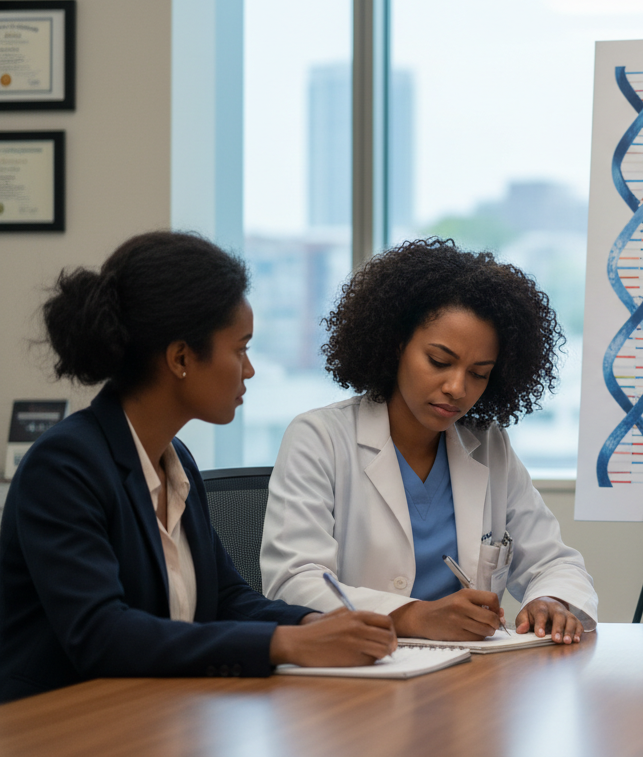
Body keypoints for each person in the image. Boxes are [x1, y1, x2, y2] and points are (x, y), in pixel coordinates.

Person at [0, 232, 398, 703]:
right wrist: (286, 643)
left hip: (156, 715)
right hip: (60, 725)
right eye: (240, 348)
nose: (248, 370)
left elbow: (227, 598)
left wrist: (317, 623)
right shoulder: (65, 466)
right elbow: (101, 635)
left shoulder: (175, 458)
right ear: (181, 358)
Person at [261, 238, 598, 644]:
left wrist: (551, 600)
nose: (457, 387)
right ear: (397, 344)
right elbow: (293, 582)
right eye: (439, 361)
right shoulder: (319, 438)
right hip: (360, 677)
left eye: (479, 373)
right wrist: (412, 617)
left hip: (468, 679)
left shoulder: (488, 445)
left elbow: (554, 561)